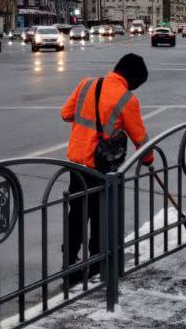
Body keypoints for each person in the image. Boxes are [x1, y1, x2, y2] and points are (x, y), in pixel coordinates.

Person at [59, 53, 153, 284]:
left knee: (77, 213)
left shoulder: (87, 84)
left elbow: (66, 113)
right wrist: (148, 159)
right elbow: (140, 137)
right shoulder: (127, 99)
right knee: (100, 213)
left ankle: (69, 260)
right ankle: (97, 260)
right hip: (101, 166)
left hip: (77, 162)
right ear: (132, 79)